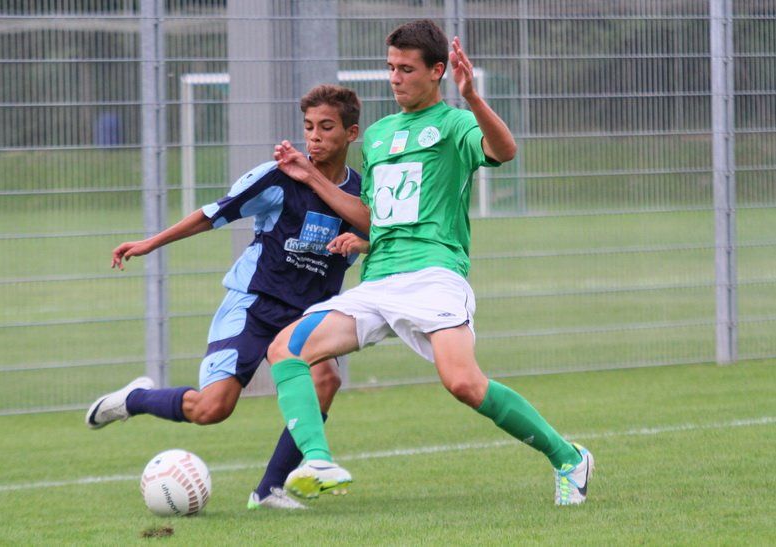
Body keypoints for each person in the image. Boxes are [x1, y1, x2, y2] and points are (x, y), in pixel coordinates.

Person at [266, 20, 594, 506]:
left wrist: (473, 98)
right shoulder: (378, 135)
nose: (395, 78)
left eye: (406, 69)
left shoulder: (456, 123)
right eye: (390, 68)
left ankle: (569, 458)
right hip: (379, 280)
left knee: (463, 383)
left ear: (437, 71)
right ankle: (318, 460)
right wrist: (312, 177)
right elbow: (374, 217)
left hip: (434, 274)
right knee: (285, 349)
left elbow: (505, 150)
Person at [84, 84, 368, 510]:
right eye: (309, 126)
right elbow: (213, 214)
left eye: (326, 127)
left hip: (308, 313)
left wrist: (362, 243)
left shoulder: (360, 193)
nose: (314, 136)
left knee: (326, 380)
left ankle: (268, 490)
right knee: (212, 409)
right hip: (255, 304)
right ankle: (134, 399)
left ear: (351, 133)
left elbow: (383, 235)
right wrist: (150, 242)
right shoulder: (279, 176)